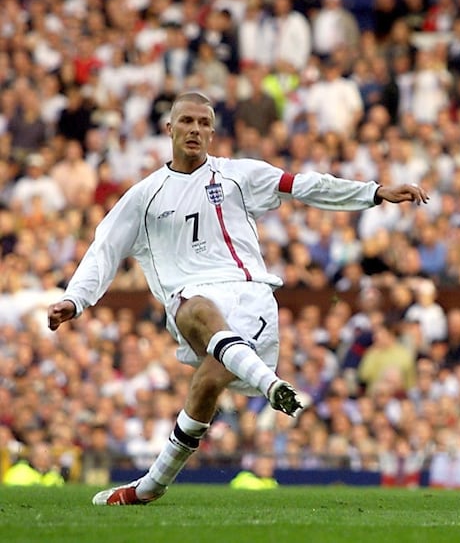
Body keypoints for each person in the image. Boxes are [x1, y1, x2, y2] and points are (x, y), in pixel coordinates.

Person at [46, 92, 428, 506]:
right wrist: (76, 299)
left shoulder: (238, 176)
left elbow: (303, 185)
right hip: (193, 304)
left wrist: (373, 193)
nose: (195, 129)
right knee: (195, 319)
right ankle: (267, 391)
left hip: (251, 300)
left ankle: (151, 485)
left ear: (212, 131)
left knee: (207, 382)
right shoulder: (143, 197)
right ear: (169, 129)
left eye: (204, 123)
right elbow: (104, 248)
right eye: (187, 121)